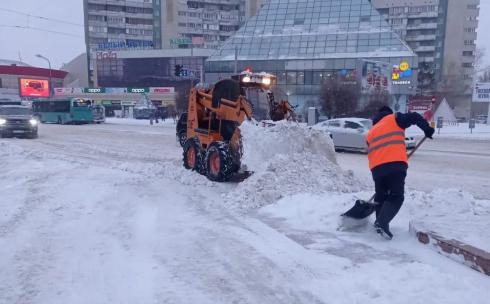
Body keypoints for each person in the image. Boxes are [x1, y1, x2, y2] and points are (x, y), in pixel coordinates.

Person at [367, 106, 435, 240]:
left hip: (376, 169)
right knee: (397, 196)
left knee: (381, 196)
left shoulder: (371, 132)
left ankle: (378, 223)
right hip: (395, 164)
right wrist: (426, 129)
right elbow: (415, 117)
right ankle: (382, 222)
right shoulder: (394, 118)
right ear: (388, 113)